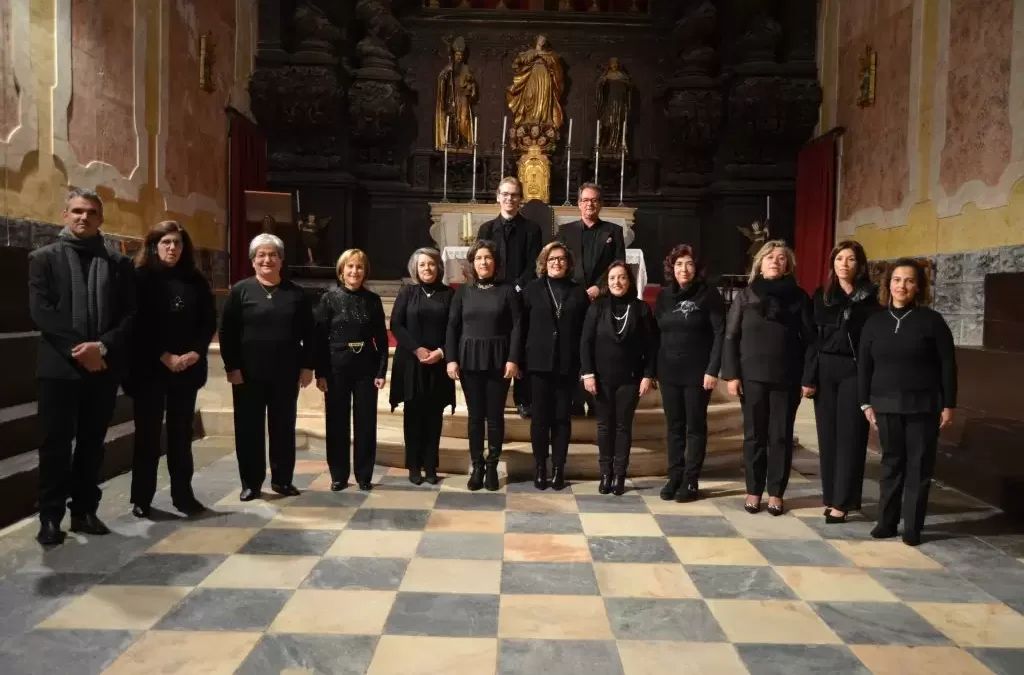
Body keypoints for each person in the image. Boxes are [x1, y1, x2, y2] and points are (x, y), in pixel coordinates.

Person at [27, 188, 136, 545]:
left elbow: (129, 315)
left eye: (90, 212)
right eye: (76, 211)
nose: (83, 217)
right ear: (65, 215)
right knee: (54, 445)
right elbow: (42, 313)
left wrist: (102, 347)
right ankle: (50, 516)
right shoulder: (43, 259)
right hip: (59, 369)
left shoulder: (118, 264)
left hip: (102, 367)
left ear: (100, 219)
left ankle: (85, 511)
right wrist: (81, 349)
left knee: (92, 443)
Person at [859, 259, 956, 546]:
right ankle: (886, 523)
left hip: (924, 405)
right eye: (897, 280)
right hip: (886, 404)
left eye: (910, 281)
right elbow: (864, 365)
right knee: (891, 464)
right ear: (888, 284)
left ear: (918, 287)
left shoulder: (932, 321)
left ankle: (913, 527)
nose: (902, 286)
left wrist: (948, 403)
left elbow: (948, 365)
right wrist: (865, 403)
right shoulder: (875, 322)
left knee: (919, 466)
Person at [127, 221, 216, 519]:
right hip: (149, 370)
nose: (171, 248)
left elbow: (208, 322)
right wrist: (164, 356)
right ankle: (141, 498)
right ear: (153, 246)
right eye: (165, 243)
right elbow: (135, 325)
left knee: (181, 436)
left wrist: (194, 352)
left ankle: (183, 495)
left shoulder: (195, 280)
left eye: (177, 243)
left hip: (186, 369)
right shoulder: (139, 278)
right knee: (148, 436)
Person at [722, 240, 815, 516]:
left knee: (781, 437)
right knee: (754, 436)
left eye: (781, 258)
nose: (775, 261)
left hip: (787, 376)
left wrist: (808, 377)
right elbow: (731, 335)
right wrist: (731, 374)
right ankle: (753, 489)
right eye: (770, 257)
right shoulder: (746, 295)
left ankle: (776, 492)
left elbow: (811, 340)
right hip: (751, 377)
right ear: (759, 263)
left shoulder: (799, 297)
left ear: (789, 266)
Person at [219, 234, 314, 502]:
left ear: (281, 260)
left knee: (283, 428)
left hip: (286, 373)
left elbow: (310, 332)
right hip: (248, 374)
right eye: (261, 254)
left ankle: (283, 480)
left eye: (272, 254)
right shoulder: (241, 291)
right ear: (252, 261)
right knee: (249, 429)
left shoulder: (295, 293)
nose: (267, 259)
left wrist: (307, 366)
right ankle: (251, 483)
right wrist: (232, 367)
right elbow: (227, 331)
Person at [809, 241, 878, 524]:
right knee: (828, 436)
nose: (844, 264)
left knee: (851, 436)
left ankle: (844, 502)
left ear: (859, 264)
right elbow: (813, 340)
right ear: (832, 264)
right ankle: (831, 495)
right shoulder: (821, 296)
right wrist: (808, 376)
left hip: (854, 369)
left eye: (850, 259)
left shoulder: (871, 297)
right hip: (825, 368)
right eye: (839, 259)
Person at [446, 240, 522, 491]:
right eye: (479, 258)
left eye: (488, 257)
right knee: (476, 416)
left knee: (495, 416)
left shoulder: (508, 291)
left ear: (495, 263)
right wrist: (451, 358)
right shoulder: (462, 292)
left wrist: (513, 358)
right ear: (472, 263)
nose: (483, 262)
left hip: (499, 359)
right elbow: (452, 327)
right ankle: (477, 465)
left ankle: (492, 465)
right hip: (469, 358)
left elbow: (517, 327)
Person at [654, 245, 725, 503]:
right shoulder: (663, 296)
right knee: (674, 427)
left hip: (698, 372)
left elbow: (719, 334)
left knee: (694, 427)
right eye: (679, 264)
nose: (684, 269)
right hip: (669, 371)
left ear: (696, 268)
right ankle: (674, 476)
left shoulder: (709, 295)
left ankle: (691, 479)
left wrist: (712, 369)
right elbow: (656, 333)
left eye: (689, 264)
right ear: (672, 269)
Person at [314, 249, 389, 491]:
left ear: (365, 271)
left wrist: (381, 371)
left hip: (366, 368)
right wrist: (321, 373)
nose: (354, 271)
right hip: (336, 369)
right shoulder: (329, 299)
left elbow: (381, 339)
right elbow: (319, 338)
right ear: (341, 270)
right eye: (350, 267)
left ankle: (364, 474)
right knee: (337, 422)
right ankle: (338, 475)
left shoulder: (373, 300)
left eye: (359, 267)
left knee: (366, 423)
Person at [580, 261, 657, 496]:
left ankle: (620, 474)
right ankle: (606, 474)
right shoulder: (597, 307)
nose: (617, 282)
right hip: (601, 379)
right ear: (607, 282)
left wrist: (648, 376)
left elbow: (653, 346)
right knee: (604, 427)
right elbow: (585, 342)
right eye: (612, 278)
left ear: (629, 281)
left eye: (622, 277)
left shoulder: (641, 308)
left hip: (630, 379)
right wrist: (588, 374)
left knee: (623, 427)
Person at [521, 242, 589, 490]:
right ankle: (540, 468)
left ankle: (559, 469)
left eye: (561, 259)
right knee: (539, 419)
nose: (557, 263)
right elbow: (521, 328)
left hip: (567, 364)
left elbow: (585, 332)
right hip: (537, 364)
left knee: (562, 419)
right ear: (544, 263)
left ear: (568, 263)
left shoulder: (578, 292)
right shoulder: (531, 290)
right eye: (551, 259)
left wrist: (584, 365)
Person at [557, 183, 626, 416]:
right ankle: (576, 401)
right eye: (585, 200)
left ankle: (597, 401)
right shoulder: (565, 231)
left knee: (598, 349)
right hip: (573, 300)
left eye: (594, 200)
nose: (590, 204)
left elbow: (618, 266)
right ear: (578, 204)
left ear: (601, 204)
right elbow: (559, 265)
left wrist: (600, 287)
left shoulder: (613, 232)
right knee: (574, 349)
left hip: (602, 300)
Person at [477, 177, 543, 418]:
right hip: (492, 296)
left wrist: (516, 287)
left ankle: (523, 399)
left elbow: (535, 264)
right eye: (505, 194)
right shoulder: (486, 229)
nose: (509, 199)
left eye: (514, 195)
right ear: (498, 197)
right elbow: (481, 261)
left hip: (521, 294)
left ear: (520, 199)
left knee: (521, 345)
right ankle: (493, 396)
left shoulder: (532, 229)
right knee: (496, 343)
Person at [390, 248, 456, 485]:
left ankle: (430, 466)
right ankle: (413, 466)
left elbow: (454, 328)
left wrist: (441, 352)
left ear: (439, 267)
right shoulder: (407, 293)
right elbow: (396, 325)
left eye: (431, 264)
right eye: (422, 265)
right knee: (413, 416)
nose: (427, 268)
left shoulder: (448, 294)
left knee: (433, 416)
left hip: (437, 364)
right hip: (411, 362)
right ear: (415, 269)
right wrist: (417, 349)